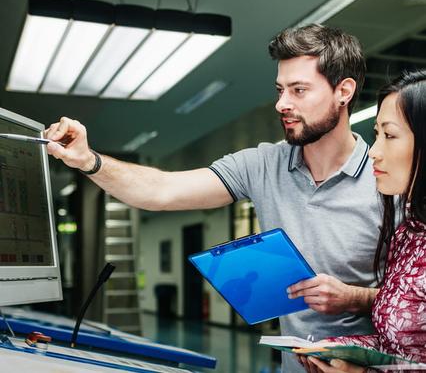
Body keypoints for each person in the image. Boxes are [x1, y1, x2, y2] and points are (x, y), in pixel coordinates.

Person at [46, 24, 383, 373]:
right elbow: (160, 191)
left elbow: (416, 304)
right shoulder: (263, 164)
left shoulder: (390, 180)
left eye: (299, 90)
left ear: (343, 91)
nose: (282, 103)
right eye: (280, 89)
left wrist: (354, 298)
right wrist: (89, 161)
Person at [299, 70, 426, 373]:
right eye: (377, 134)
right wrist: (343, 349)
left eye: (390, 135)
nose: (375, 152)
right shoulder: (409, 233)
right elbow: (399, 348)